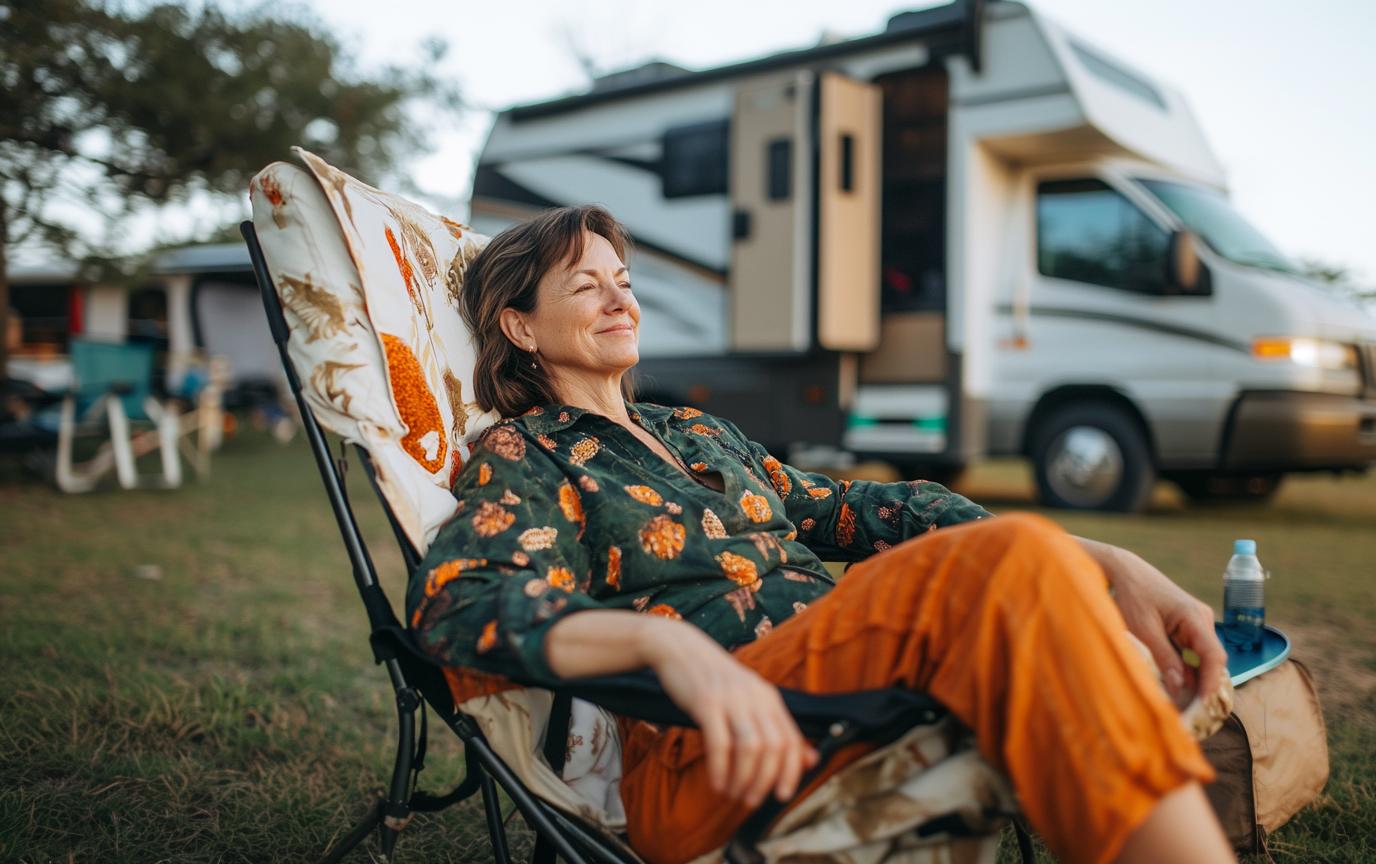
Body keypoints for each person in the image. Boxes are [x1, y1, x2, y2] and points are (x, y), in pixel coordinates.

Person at [405, 205, 1237, 864]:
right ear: (519, 327)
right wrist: (667, 651)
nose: (622, 299)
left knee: (1026, 580)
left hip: (839, 683)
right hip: (709, 752)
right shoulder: (529, 452)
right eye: (586, 287)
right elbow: (456, 599)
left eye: (623, 279)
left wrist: (1107, 559)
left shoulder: (697, 432)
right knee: (1015, 564)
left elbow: (867, 511)